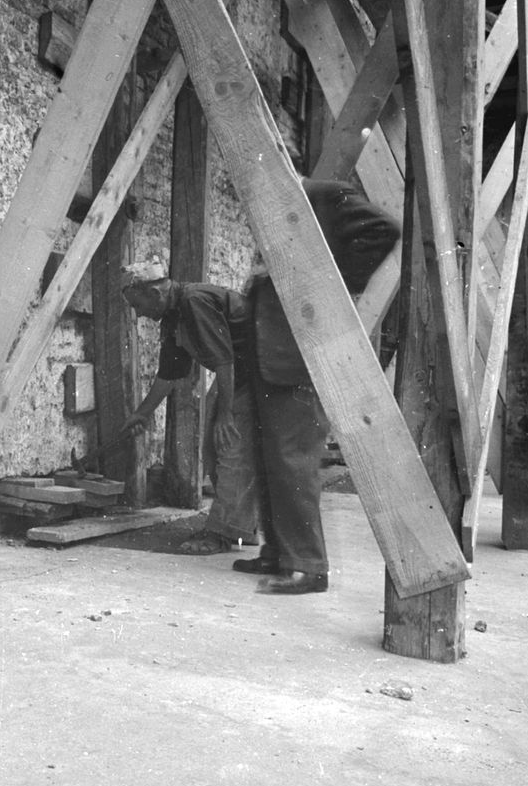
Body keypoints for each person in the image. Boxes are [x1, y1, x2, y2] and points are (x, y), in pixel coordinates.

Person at [234, 177, 400, 594]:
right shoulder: (277, 208)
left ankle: (308, 566)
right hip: (271, 355)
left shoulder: (322, 194)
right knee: (269, 457)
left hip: (299, 354)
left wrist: (330, 287)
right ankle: (278, 551)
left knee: (293, 459)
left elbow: (383, 230)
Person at [114, 263, 260, 555]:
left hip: (259, 375)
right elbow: (170, 372)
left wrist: (225, 414)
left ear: (155, 292)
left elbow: (224, 361)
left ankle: (222, 532)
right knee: (211, 447)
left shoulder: (193, 302)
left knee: (230, 448)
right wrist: (142, 412)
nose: (138, 313)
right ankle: (240, 528)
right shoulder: (172, 316)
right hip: (238, 376)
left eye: (137, 304)